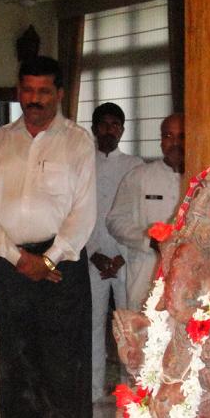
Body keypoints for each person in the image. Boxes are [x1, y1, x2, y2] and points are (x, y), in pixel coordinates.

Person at [0, 56, 95, 418]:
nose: (35, 100)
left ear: (59, 94)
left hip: (61, 264)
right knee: (15, 354)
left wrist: (48, 258)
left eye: (44, 92)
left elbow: (83, 210)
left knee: (64, 361)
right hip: (11, 261)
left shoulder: (77, 141)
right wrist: (16, 256)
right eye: (28, 91)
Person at [87, 103, 143, 401]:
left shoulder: (135, 165)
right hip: (92, 257)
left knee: (128, 327)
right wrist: (93, 252)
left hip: (125, 258)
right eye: (103, 124)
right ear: (94, 128)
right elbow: (78, 213)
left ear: (122, 129)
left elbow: (138, 215)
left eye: (115, 125)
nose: (109, 130)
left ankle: (129, 392)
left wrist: (121, 256)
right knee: (93, 326)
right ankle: (95, 392)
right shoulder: (83, 164)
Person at [106, 112, 185, 311]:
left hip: (189, 277)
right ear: (161, 141)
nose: (175, 142)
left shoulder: (203, 177)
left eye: (181, 136)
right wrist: (147, 240)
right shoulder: (139, 177)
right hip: (147, 272)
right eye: (168, 136)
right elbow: (115, 221)